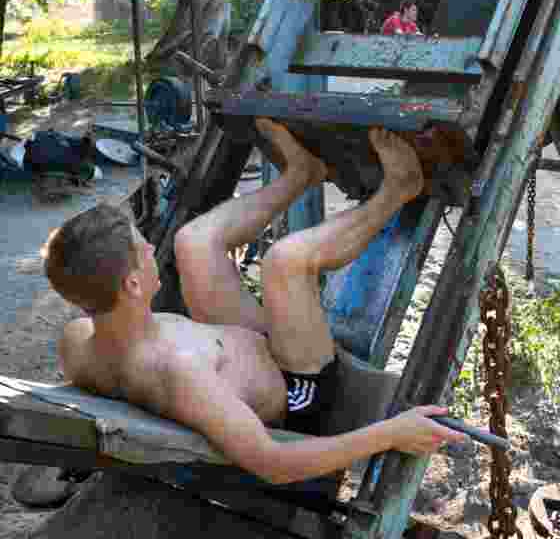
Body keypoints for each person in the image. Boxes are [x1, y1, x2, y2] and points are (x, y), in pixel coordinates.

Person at [43, 120, 465, 485]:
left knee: (194, 242)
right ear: (134, 285)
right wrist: (391, 433)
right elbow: (273, 463)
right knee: (286, 261)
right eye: (143, 248)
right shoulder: (178, 372)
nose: (154, 247)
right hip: (300, 391)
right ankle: (399, 189)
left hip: (235, 352)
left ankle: (301, 173)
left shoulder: (79, 337)